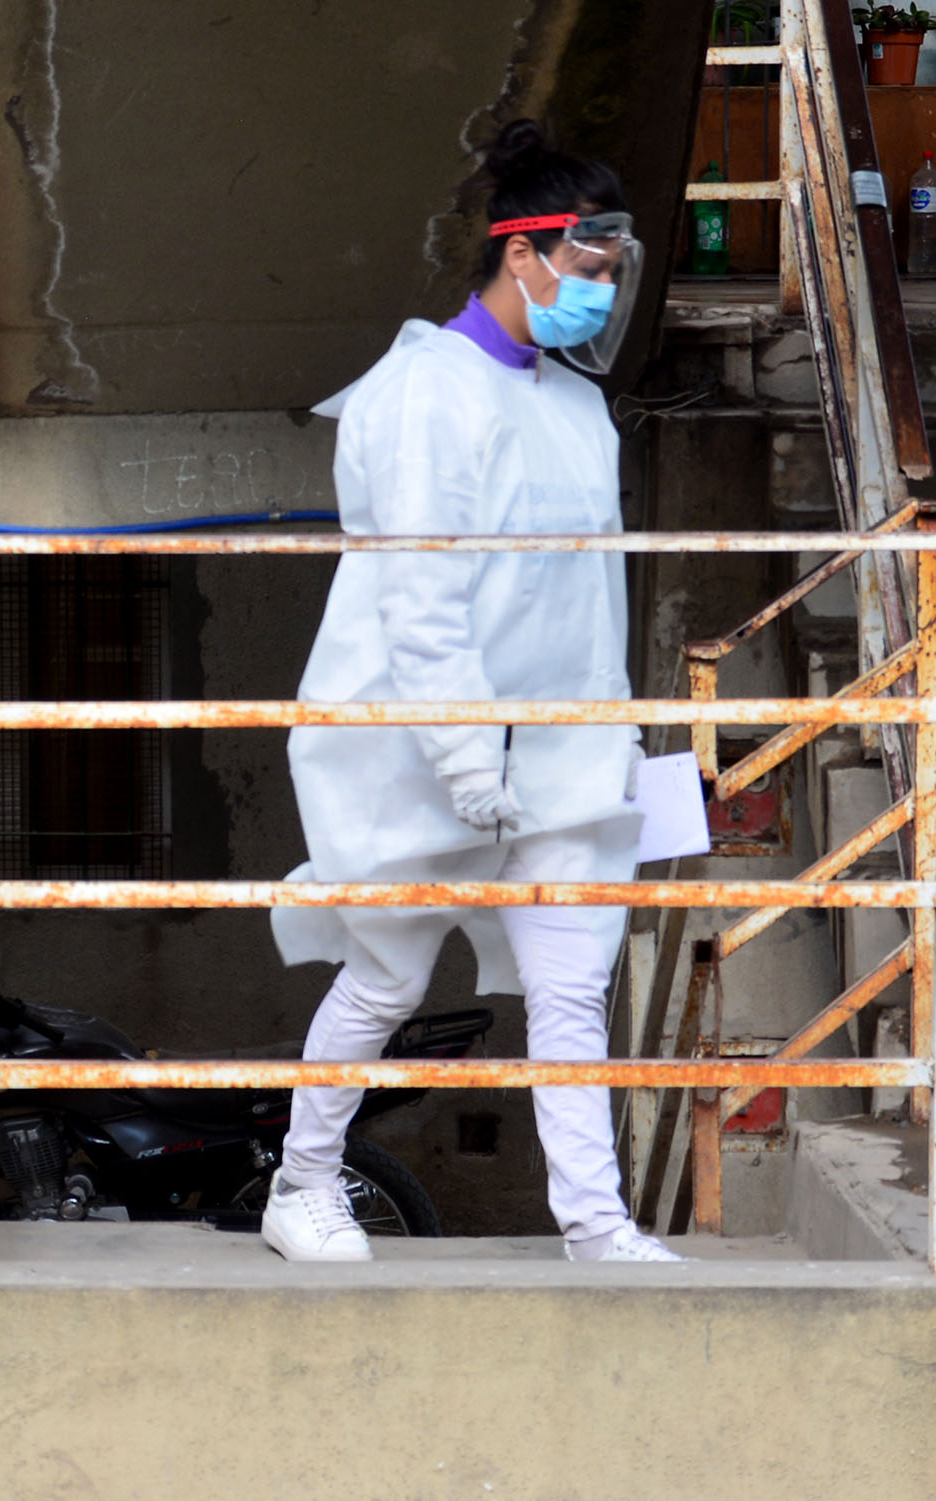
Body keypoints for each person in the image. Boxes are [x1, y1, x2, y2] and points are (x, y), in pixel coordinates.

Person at [263, 120, 679, 1267]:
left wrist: (606, 740)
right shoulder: (421, 393)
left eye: (612, 274)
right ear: (522, 252)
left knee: (570, 989)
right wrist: (461, 754)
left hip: (559, 752)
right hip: (417, 747)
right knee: (384, 976)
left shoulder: (574, 405)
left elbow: (586, 600)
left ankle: (595, 1224)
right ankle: (301, 1185)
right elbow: (422, 595)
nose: (601, 293)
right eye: (588, 268)